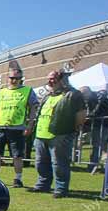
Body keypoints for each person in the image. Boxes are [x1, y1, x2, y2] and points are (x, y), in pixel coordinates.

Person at [28, 70, 86, 198]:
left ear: (62, 79)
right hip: (41, 135)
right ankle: (43, 185)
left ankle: (61, 189)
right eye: (49, 78)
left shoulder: (73, 94)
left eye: (53, 78)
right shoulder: (47, 95)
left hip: (61, 134)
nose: (50, 81)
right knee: (40, 162)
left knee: (59, 163)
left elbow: (81, 114)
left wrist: (73, 130)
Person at [85, 87, 108, 174]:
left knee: (99, 145)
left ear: (88, 93)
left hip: (104, 124)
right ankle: (94, 165)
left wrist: (89, 117)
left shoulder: (99, 97)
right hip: (100, 124)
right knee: (98, 145)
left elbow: (96, 110)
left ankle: (95, 165)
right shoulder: (92, 98)